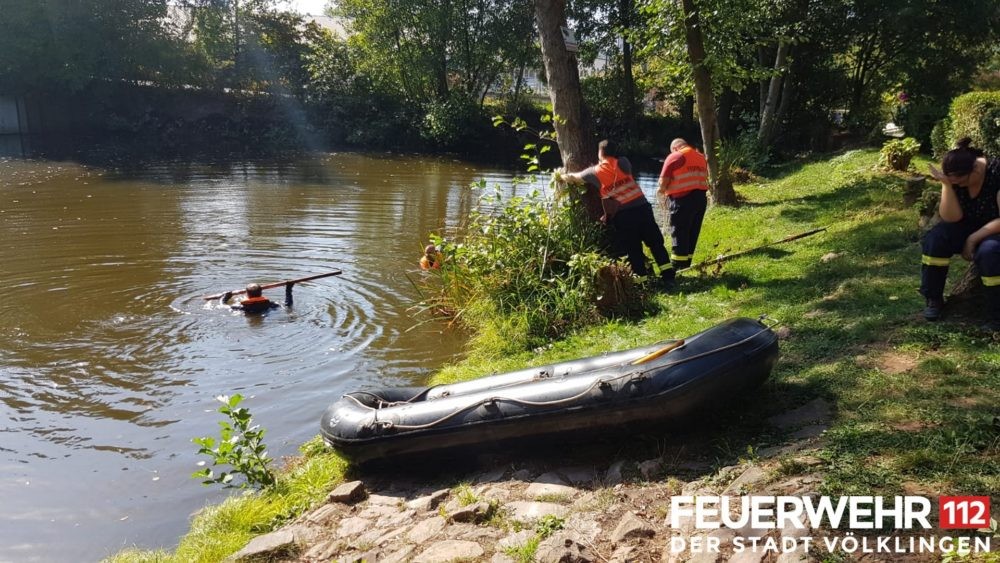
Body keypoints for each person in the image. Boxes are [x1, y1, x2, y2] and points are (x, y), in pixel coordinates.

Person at [560, 139, 675, 286]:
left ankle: (642, 283)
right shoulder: (623, 163)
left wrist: (560, 176)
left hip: (624, 214)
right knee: (655, 243)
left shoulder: (594, 172)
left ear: (600, 152)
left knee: (633, 249)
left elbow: (574, 178)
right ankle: (668, 277)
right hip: (643, 208)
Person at [921, 137, 1000, 329]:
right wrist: (947, 186)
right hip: (966, 223)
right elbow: (952, 217)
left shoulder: (996, 172)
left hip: (995, 227)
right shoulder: (956, 179)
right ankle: (934, 298)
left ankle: (995, 315)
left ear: (976, 170)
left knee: (989, 253)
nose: (960, 186)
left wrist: (973, 239)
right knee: (935, 239)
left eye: (961, 182)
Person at [658, 138, 710, 270]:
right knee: (692, 232)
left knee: (679, 232)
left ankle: (677, 266)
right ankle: (687, 264)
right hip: (700, 199)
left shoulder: (675, 156)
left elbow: (663, 182)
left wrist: (662, 193)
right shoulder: (701, 157)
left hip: (682, 199)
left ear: (675, 148)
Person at [222, 282, 294, 314]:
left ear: (248, 295)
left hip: (248, 312)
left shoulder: (242, 306)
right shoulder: (269, 304)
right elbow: (288, 305)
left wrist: (225, 298)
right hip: (265, 312)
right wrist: (288, 289)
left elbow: (224, 306)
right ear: (261, 293)